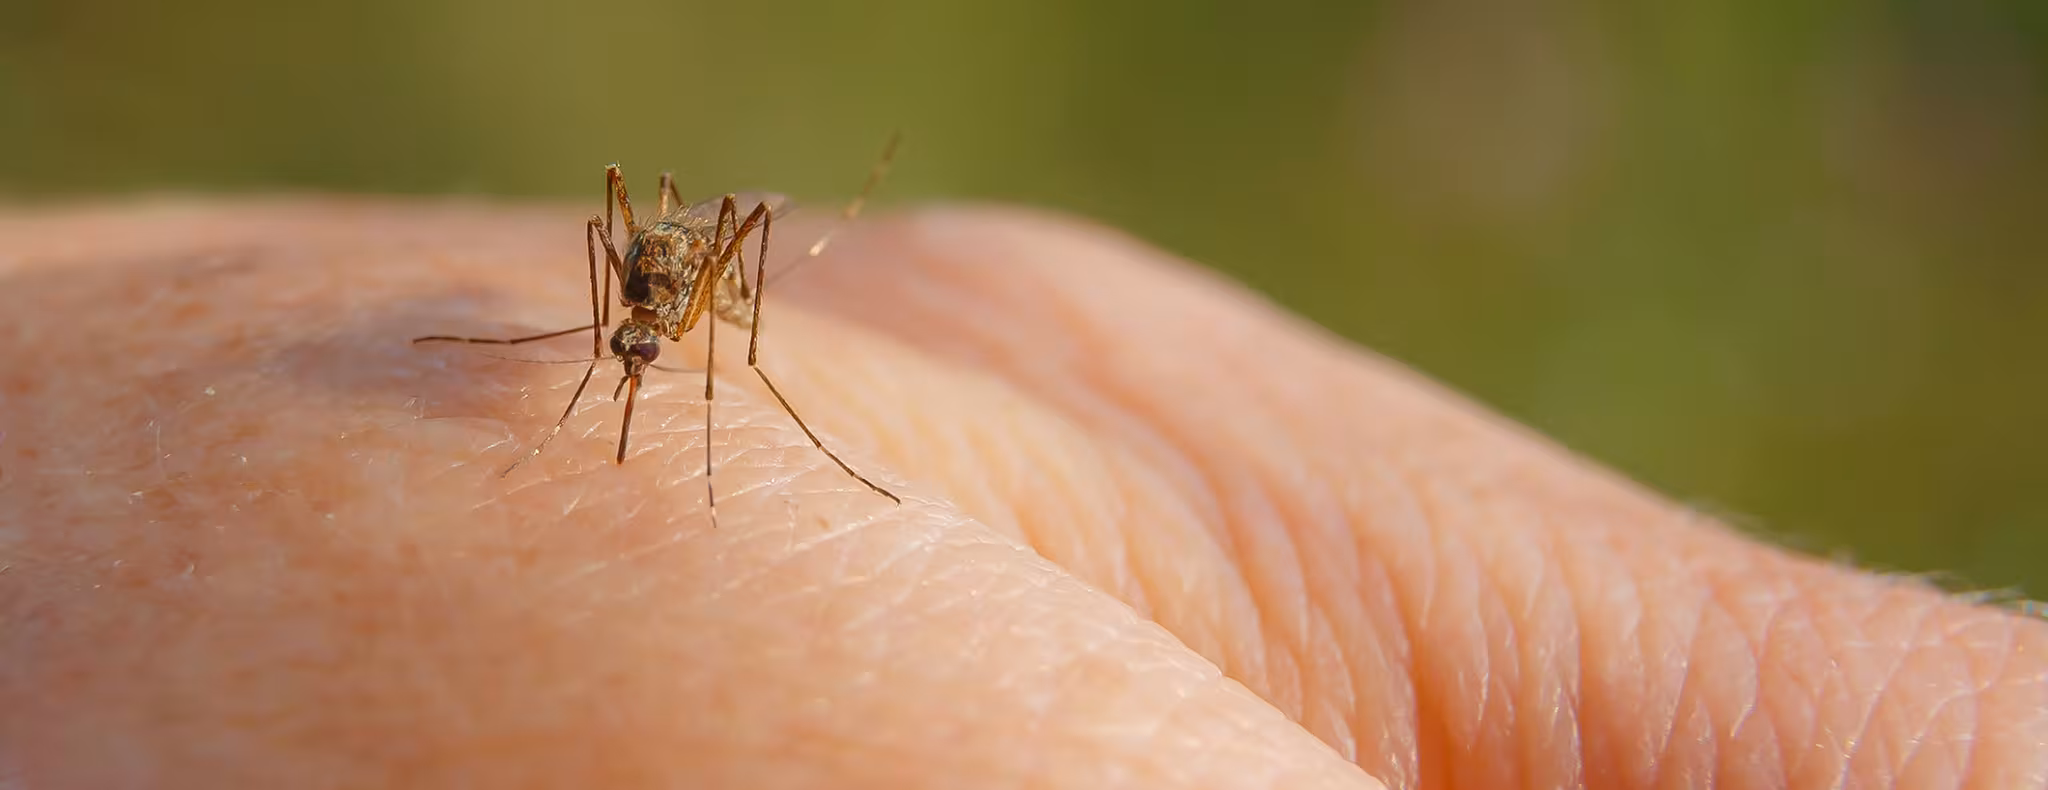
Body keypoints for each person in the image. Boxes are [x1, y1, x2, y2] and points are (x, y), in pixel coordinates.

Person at [0, 201, 2040, 788]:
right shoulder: (604, 314)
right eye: (628, 332)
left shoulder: (690, 287)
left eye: (632, 331)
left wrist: (725, 349)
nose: (626, 355)